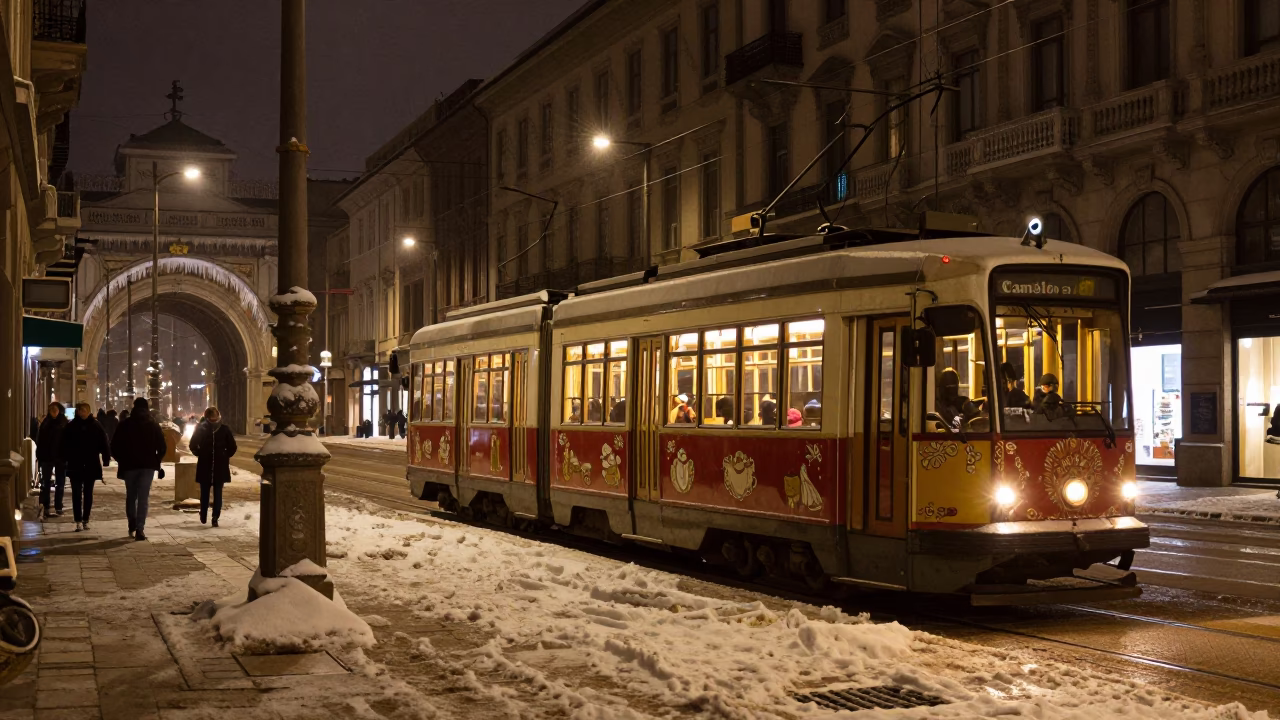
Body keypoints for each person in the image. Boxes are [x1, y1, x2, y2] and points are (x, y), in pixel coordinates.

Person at [111, 397, 167, 541]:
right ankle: (140, 529)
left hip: (129, 465)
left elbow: (114, 446)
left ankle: (132, 523)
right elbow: (162, 447)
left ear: (134, 407)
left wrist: (121, 460)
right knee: (143, 497)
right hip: (147, 466)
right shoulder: (153, 425)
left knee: (131, 496)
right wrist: (156, 460)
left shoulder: (125, 424)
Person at [58, 403, 110, 532]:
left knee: (88, 493)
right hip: (75, 464)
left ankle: (85, 518)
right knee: (76, 493)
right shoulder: (71, 426)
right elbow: (63, 444)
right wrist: (63, 459)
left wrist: (106, 458)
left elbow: (104, 442)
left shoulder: (96, 425)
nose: (83, 413)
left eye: (85, 411)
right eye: (81, 411)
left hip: (91, 464)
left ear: (89, 411)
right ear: (78, 412)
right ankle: (78, 520)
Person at [189, 407, 237, 527]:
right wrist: (224, 456)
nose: (214, 419)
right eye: (213, 417)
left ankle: (210, 516)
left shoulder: (205, 428)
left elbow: (232, 446)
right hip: (214, 465)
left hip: (211, 465)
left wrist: (201, 454)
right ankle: (209, 515)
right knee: (213, 493)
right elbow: (193, 445)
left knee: (210, 493)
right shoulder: (217, 429)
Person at [36, 402, 68, 518]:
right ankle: (46, 506)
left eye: (56, 410)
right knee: (45, 482)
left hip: (60, 457)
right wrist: (39, 456)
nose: (54, 412)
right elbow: (40, 441)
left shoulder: (64, 423)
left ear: (59, 411)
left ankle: (58, 506)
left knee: (60, 483)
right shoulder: (46, 423)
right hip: (47, 457)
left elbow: (68, 441)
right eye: (52, 410)